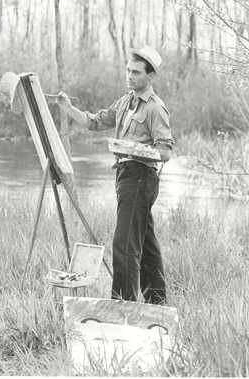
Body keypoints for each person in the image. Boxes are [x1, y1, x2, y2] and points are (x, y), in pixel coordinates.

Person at [56, 45, 174, 305]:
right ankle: (157, 302)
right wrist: (67, 108)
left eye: (136, 73)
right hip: (124, 176)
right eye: (128, 71)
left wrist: (132, 149)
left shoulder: (155, 108)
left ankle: (122, 305)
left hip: (141, 176)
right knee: (147, 245)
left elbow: (164, 152)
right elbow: (96, 122)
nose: (130, 76)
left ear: (150, 76)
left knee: (124, 246)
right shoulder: (125, 101)